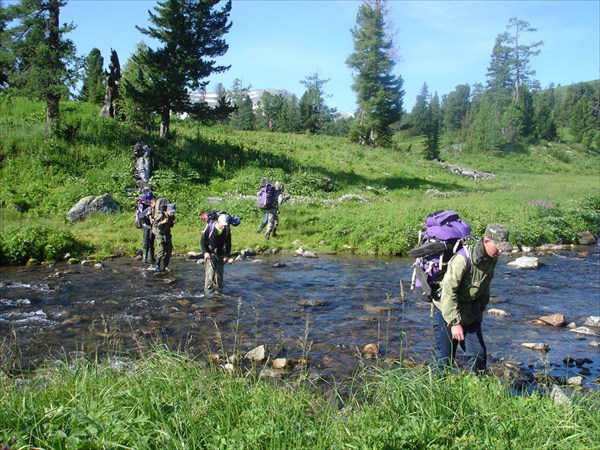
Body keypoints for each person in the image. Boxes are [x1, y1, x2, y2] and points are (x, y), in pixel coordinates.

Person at [432, 223, 511, 373]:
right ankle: (437, 392)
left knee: (478, 355)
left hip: (471, 311)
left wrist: (481, 309)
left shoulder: (491, 259)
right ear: (487, 241)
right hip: (446, 312)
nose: (500, 251)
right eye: (499, 246)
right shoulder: (462, 259)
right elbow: (448, 292)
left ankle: (477, 389)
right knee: (444, 360)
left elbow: (485, 286)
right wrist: (454, 323)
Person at [200, 214, 232, 297]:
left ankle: (218, 293)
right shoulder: (210, 228)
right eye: (222, 225)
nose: (224, 227)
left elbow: (228, 244)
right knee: (210, 275)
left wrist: (227, 255)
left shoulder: (227, 230)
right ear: (218, 222)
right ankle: (208, 294)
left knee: (219, 276)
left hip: (221, 255)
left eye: (225, 225)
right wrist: (205, 252)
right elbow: (202, 241)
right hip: (210, 255)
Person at [151, 203, 176, 272]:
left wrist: (173, 223)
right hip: (160, 234)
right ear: (167, 210)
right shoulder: (161, 215)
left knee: (169, 250)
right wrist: (162, 222)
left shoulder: (172, 216)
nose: (173, 213)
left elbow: (170, 225)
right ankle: (157, 265)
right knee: (161, 250)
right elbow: (155, 225)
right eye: (171, 212)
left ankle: (165, 266)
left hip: (167, 234)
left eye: (174, 212)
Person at [139, 194, 156, 266]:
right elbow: (141, 217)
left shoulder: (157, 210)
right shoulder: (148, 209)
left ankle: (151, 258)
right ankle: (144, 258)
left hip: (152, 228)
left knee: (151, 242)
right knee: (146, 242)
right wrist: (144, 223)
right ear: (151, 203)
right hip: (147, 227)